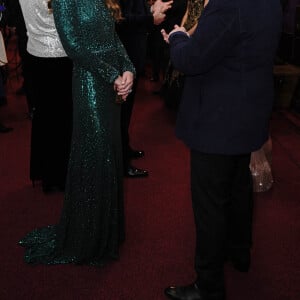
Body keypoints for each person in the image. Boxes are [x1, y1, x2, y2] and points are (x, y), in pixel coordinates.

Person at [161, 0, 282, 299]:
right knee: (239, 187)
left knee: (210, 203)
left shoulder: (229, 4)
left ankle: (208, 285)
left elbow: (191, 59)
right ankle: (239, 253)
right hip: (249, 109)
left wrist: (177, 37)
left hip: (220, 118)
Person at [19, 0, 135, 265]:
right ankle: (89, 234)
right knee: (97, 153)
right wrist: (111, 75)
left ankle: (108, 230)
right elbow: (74, 46)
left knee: (112, 153)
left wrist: (128, 68)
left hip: (111, 84)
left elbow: (112, 37)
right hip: (89, 86)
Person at [18, 0, 73, 193]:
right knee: (63, 117)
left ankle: (46, 174)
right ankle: (60, 175)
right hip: (60, 55)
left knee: (43, 115)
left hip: (33, 54)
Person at [116, 0, 173, 178]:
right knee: (120, 113)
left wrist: (151, 9)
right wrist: (150, 18)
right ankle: (121, 162)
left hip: (133, 50)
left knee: (126, 111)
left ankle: (124, 149)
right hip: (124, 51)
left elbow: (133, 8)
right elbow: (118, 19)